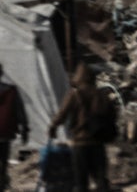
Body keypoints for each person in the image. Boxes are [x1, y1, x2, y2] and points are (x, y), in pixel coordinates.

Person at [48, 63, 116, 192]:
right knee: (100, 178)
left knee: (81, 180)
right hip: (98, 141)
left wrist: (53, 127)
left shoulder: (75, 95)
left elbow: (62, 114)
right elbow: (112, 115)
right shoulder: (101, 95)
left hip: (80, 142)